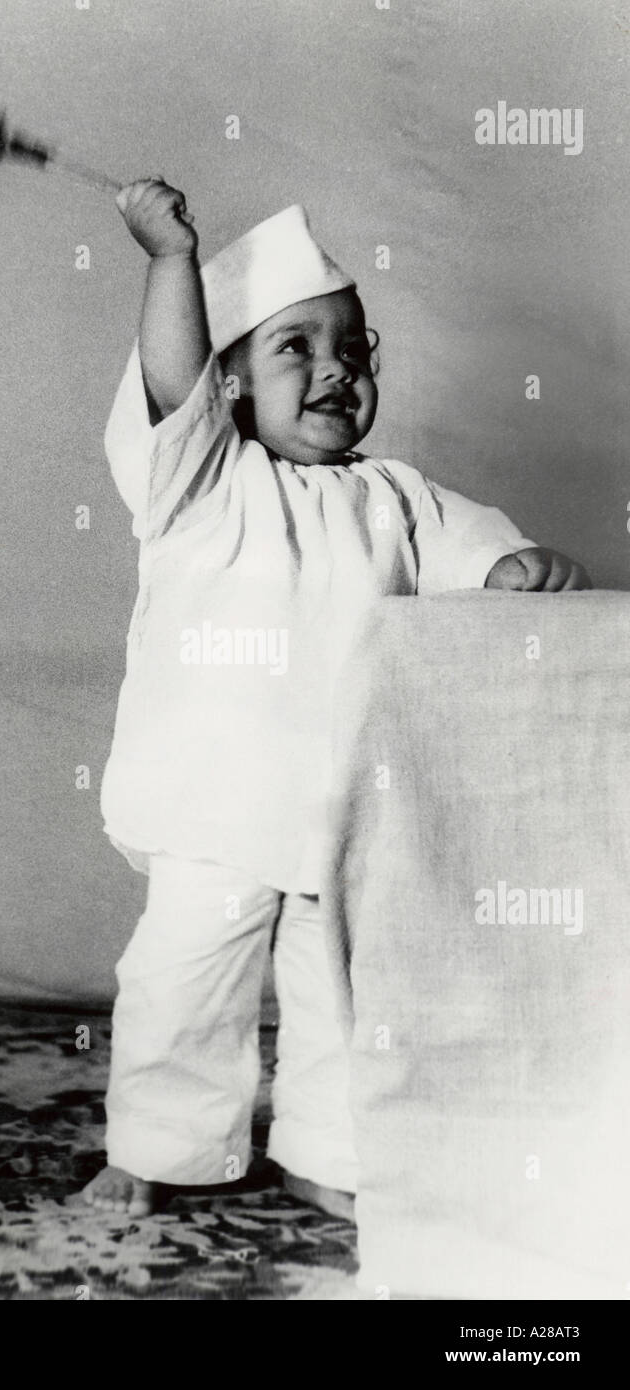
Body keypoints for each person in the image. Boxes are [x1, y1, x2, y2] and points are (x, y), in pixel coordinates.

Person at [78, 179, 591, 1218]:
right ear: (228, 386)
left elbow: (475, 548)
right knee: (185, 986)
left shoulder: (395, 495)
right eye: (295, 348)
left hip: (346, 812)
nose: (334, 371)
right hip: (216, 806)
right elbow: (172, 387)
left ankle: (332, 1152)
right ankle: (161, 1150)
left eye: (352, 349)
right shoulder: (207, 488)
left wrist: (512, 567)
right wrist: (172, 263)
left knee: (347, 1001)